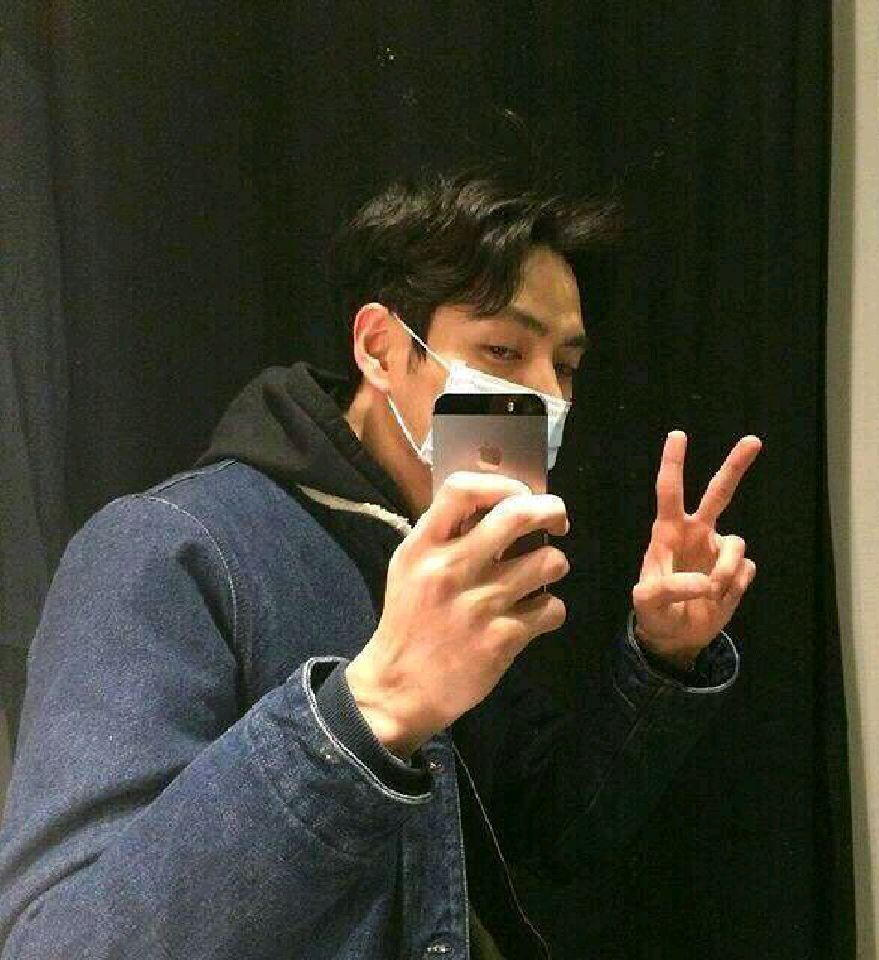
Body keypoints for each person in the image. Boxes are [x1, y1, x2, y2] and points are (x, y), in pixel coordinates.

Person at [0, 165, 760, 959]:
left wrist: (663, 657)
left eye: (565, 365)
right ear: (379, 347)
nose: (546, 394)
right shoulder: (165, 550)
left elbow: (557, 829)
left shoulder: (443, 553)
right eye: (503, 349)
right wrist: (370, 710)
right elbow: (59, 944)